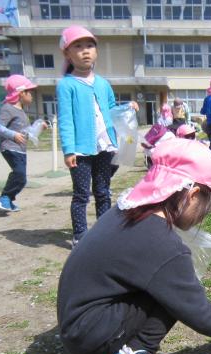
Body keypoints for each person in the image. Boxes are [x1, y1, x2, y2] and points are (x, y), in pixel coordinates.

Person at [57, 138, 211, 354]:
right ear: (192, 195)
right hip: (87, 336)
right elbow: (203, 316)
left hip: (77, 319)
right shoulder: (161, 245)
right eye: (207, 207)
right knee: (172, 292)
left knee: (168, 284)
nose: (204, 216)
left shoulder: (128, 210)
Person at [56, 25, 138, 248]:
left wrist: (126, 107)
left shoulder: (103, 83)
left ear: (96, 51)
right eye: (78, 46)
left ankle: (103, 232)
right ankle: (80, 235)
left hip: (105, 146)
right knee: (81, 194)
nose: (85, 51)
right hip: (81, 150)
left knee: (103, 191)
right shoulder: (66, 85)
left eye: (90, 46)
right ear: (67, 53)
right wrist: (69, 149)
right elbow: (66, 119)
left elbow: (111, 109)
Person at [0, 74, 43, 212]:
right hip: (10, 147)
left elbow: (27, 134)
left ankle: (8, 200)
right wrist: (13, 134)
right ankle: (4, 197)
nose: (32, 96)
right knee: (19, 174)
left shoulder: (22, 112)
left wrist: (39, 128)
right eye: (30, 92)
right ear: (21, 93)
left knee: (22, 179)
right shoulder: (8, 108)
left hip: (21, 149)